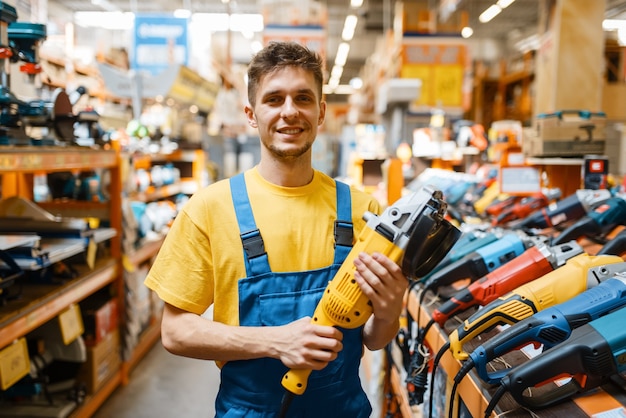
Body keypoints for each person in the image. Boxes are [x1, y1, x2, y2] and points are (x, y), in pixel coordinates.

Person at [144, 41, 408, 417]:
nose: (289, 112)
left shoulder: (365, 213)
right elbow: (175, 331)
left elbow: (373, 340)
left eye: (302, 98)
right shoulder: (209, 209)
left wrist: (389, 311)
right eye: (274, 99)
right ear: (252, 114)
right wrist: (275, 341)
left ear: (320, 113)